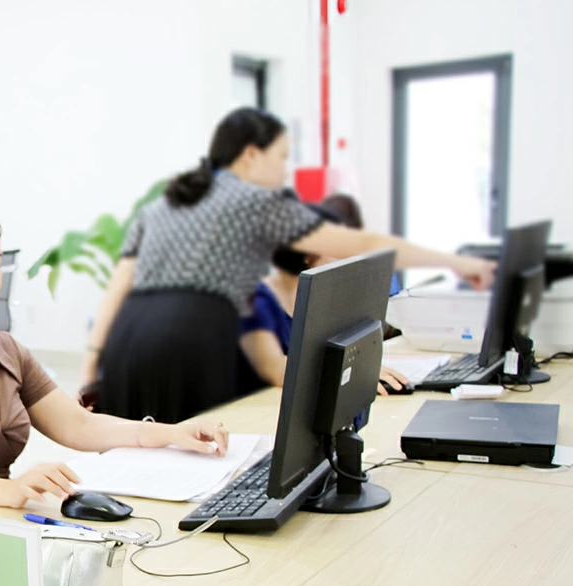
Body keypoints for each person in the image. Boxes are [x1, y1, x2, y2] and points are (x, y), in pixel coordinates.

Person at [81, 107, 496, 423]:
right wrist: (455, 262)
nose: (284, 171)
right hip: (192, 361)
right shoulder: (255, 204)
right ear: (250, 156)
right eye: (281, 157)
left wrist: (89, 372)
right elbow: (366, 243)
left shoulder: (164, 206)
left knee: (147, 475)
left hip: (130, 355)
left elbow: (118, 290)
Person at [0, 196, 229, 508]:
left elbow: (79, 424)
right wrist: (11, 490)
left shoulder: (5, 350)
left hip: (2, 527)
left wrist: (172, 434)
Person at [236, 203, 409, 396]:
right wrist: (356, 374)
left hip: (298, 399)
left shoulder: (314, 295)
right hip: (254, 410)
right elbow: (276, 370)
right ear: (308, 255)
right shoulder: (256, 302)